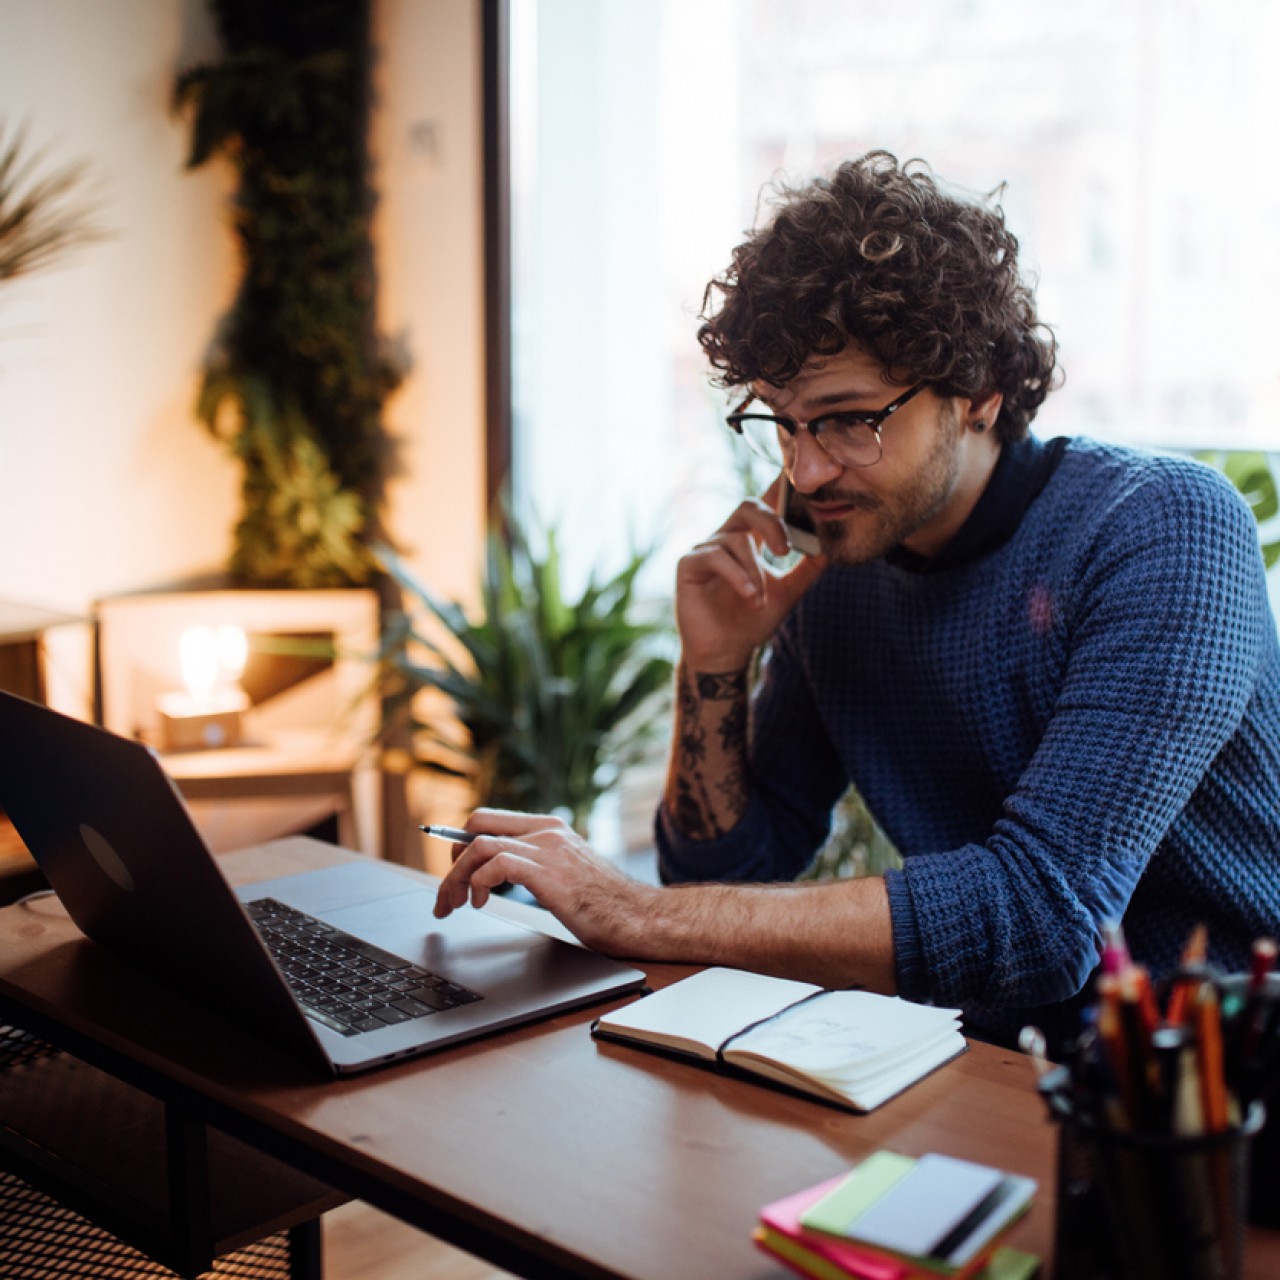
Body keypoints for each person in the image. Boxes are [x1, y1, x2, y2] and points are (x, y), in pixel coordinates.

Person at [434, 151, 1280, 1050]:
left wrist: (629, 912)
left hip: (1214, 1090)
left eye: (849, 418)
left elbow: (1041, 916)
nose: (805, 471)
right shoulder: (838, 567)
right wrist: (714, 664)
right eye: (782, 422)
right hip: (978, 1066)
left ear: (980, 392)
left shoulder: (1161, 529)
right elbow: (730, 866)